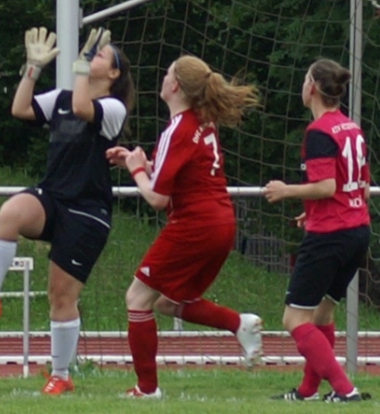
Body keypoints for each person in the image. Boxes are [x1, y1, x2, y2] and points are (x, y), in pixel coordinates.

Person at [0, 26, 135, 396]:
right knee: (11, 212)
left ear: (114, 74)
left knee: (61, 296)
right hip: (53, 198)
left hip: (86, 213)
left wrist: (80, 66)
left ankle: (61, 374)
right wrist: (32, 68)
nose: (92, 55)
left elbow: (82, 108)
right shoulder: (61, 97)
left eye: (101, 55)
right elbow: (20, 109)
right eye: (91, 52)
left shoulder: (113, 108)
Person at [106, 54, 263, 399]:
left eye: (167, 73)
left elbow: (157, 197)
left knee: (137, 298)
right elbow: (178, 174)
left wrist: (137, 170)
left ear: (175, 85)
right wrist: (137, 162)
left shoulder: (178, 128)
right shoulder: (202, 123)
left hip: (196, 224)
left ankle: (147, 389)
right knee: (168, 302)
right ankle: (239, 323)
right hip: (221, 222)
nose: (163, 78)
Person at [263, 58, 371, 403]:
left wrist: (286, 191)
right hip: (357, 231)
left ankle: (345, 389)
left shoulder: (319, 131)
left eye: (304, 79)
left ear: (312, 87)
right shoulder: (351, 128)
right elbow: (361, 188)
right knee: (322, 313)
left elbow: (326, 186)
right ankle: (308, 391)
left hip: (331, 235)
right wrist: (311, 211)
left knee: (294, 318)